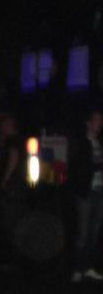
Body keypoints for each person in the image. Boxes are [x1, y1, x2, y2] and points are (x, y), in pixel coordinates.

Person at [68, 108, 103, 282]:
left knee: (94, 233)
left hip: (99, 192)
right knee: (82, 233)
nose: (99, 123)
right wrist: (98, 166)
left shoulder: (100, 143)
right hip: (85, 192)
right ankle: (77, 268)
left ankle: (87, 266)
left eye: (101, 120)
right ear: (88, 123)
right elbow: (78, 168)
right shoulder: (81, 143)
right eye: (96, 120)